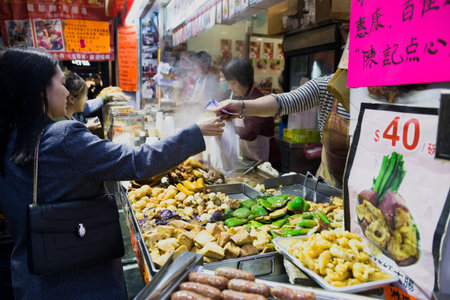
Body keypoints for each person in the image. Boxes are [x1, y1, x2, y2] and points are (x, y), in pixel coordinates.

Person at [0, 47, 225, 299]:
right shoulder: (64, 137)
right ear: (39, 90)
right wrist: (195, 131)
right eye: (61, 82)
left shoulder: (8, 140)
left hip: (31, 280)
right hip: (83, 278)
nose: (66, 91)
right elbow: (139, 162)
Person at [215, 73, 350, 188]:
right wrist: (242, 107)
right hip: (329, 185)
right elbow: (284, 101)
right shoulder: (329, 85)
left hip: (367, 190)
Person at [221, 58, 281, 167]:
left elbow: (250, 133)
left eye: (233, 83)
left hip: (266, 162)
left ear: (244, 80)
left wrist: (224, 128)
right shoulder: (240, 97)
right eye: (229, 83)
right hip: (250, 158)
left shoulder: (257, 99)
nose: (230, 87)